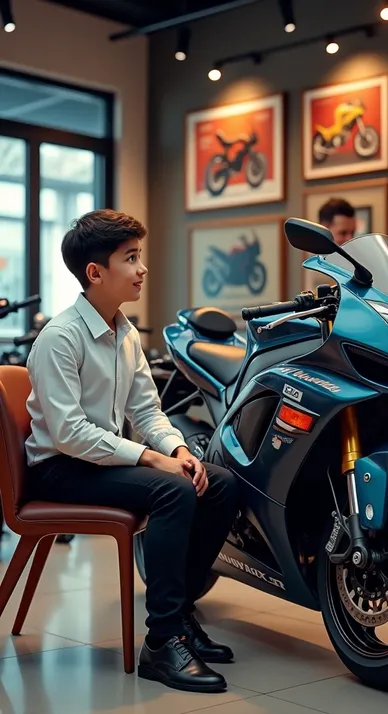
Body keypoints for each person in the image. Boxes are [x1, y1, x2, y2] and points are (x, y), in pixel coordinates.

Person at [25, 209, 238, 694]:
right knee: (171, 492)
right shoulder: (60, 338)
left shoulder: (124, 333)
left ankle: (180, 619)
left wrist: (179, 449)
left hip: (97, 461)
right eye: (131, 258)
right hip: (58, 469)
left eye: (140, 257)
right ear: (95, 272)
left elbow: (147, 413)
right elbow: (69, 434)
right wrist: (152, 459)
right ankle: (163, 641)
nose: (142, 269)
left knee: (219, 483)